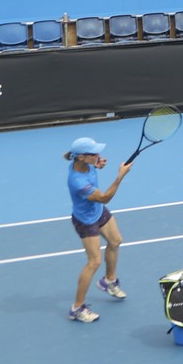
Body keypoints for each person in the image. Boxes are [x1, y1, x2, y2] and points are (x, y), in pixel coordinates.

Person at [64, 137, 133, 322]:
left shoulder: (85, 164)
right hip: (85, 220)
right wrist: (120, 175)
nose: (98, 155)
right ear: (80, 157)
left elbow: (93, 168)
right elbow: (104, 198)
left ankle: (109, 281)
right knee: (94, 262)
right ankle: (77, 309)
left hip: (98, 212)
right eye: (93, 154)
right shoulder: (77, 181)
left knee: (116, 241)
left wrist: (97, 164)